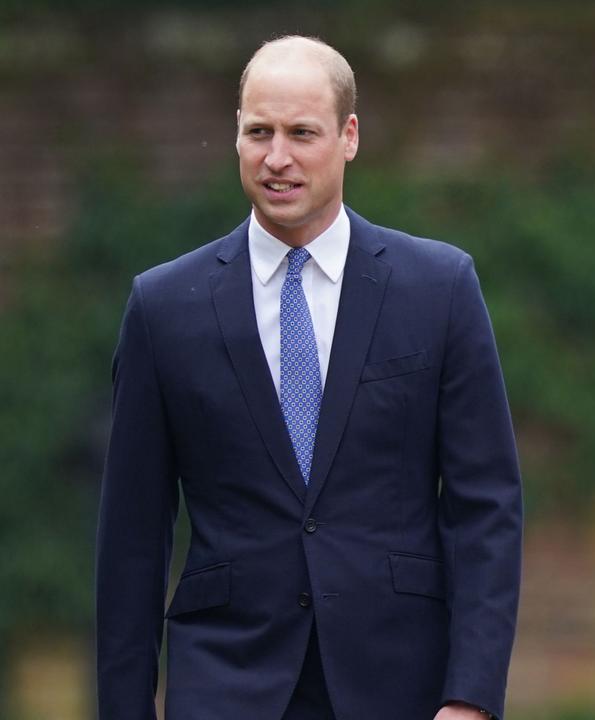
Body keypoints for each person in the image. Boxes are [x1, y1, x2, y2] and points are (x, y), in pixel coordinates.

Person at [96, 36, 522, 720]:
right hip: (226, 681)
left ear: (349, 136)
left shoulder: (439, 288)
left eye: (302, 133)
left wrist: (469, 696)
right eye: (257, 132)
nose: (277, 158)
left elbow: (485, 507)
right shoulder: (163, 306)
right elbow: (131, 534)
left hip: (399, 680)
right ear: (235, 134)